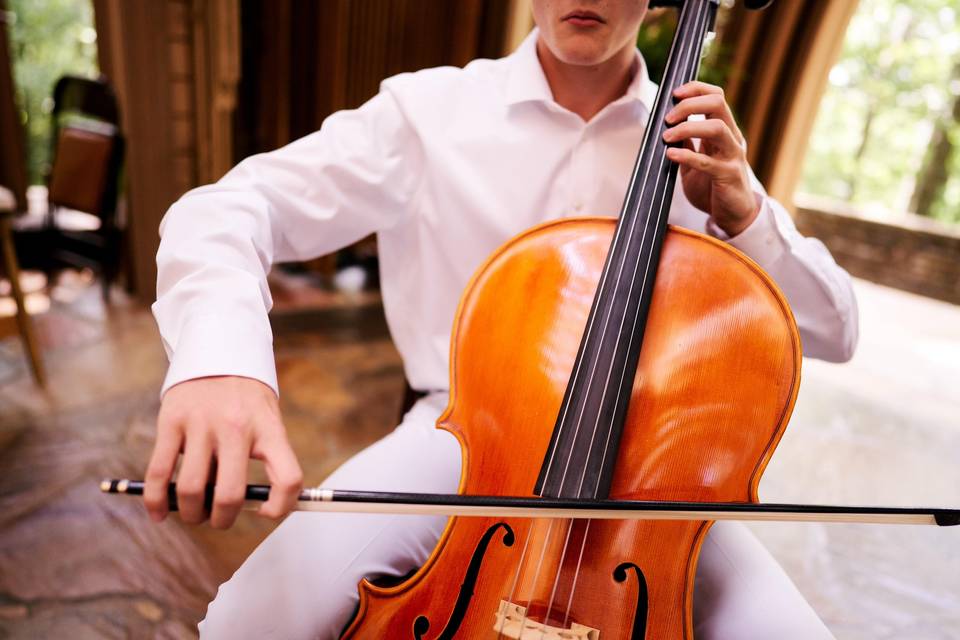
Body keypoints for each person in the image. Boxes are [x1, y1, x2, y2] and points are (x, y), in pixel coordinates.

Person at [146, 1, 858, 638]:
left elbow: (835, 329)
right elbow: (229, 208)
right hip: (459, 437)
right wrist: (221, 359)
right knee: (251, 620)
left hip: (650, 471)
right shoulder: (428, 112)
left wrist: (748, 218)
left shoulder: (694, 142)